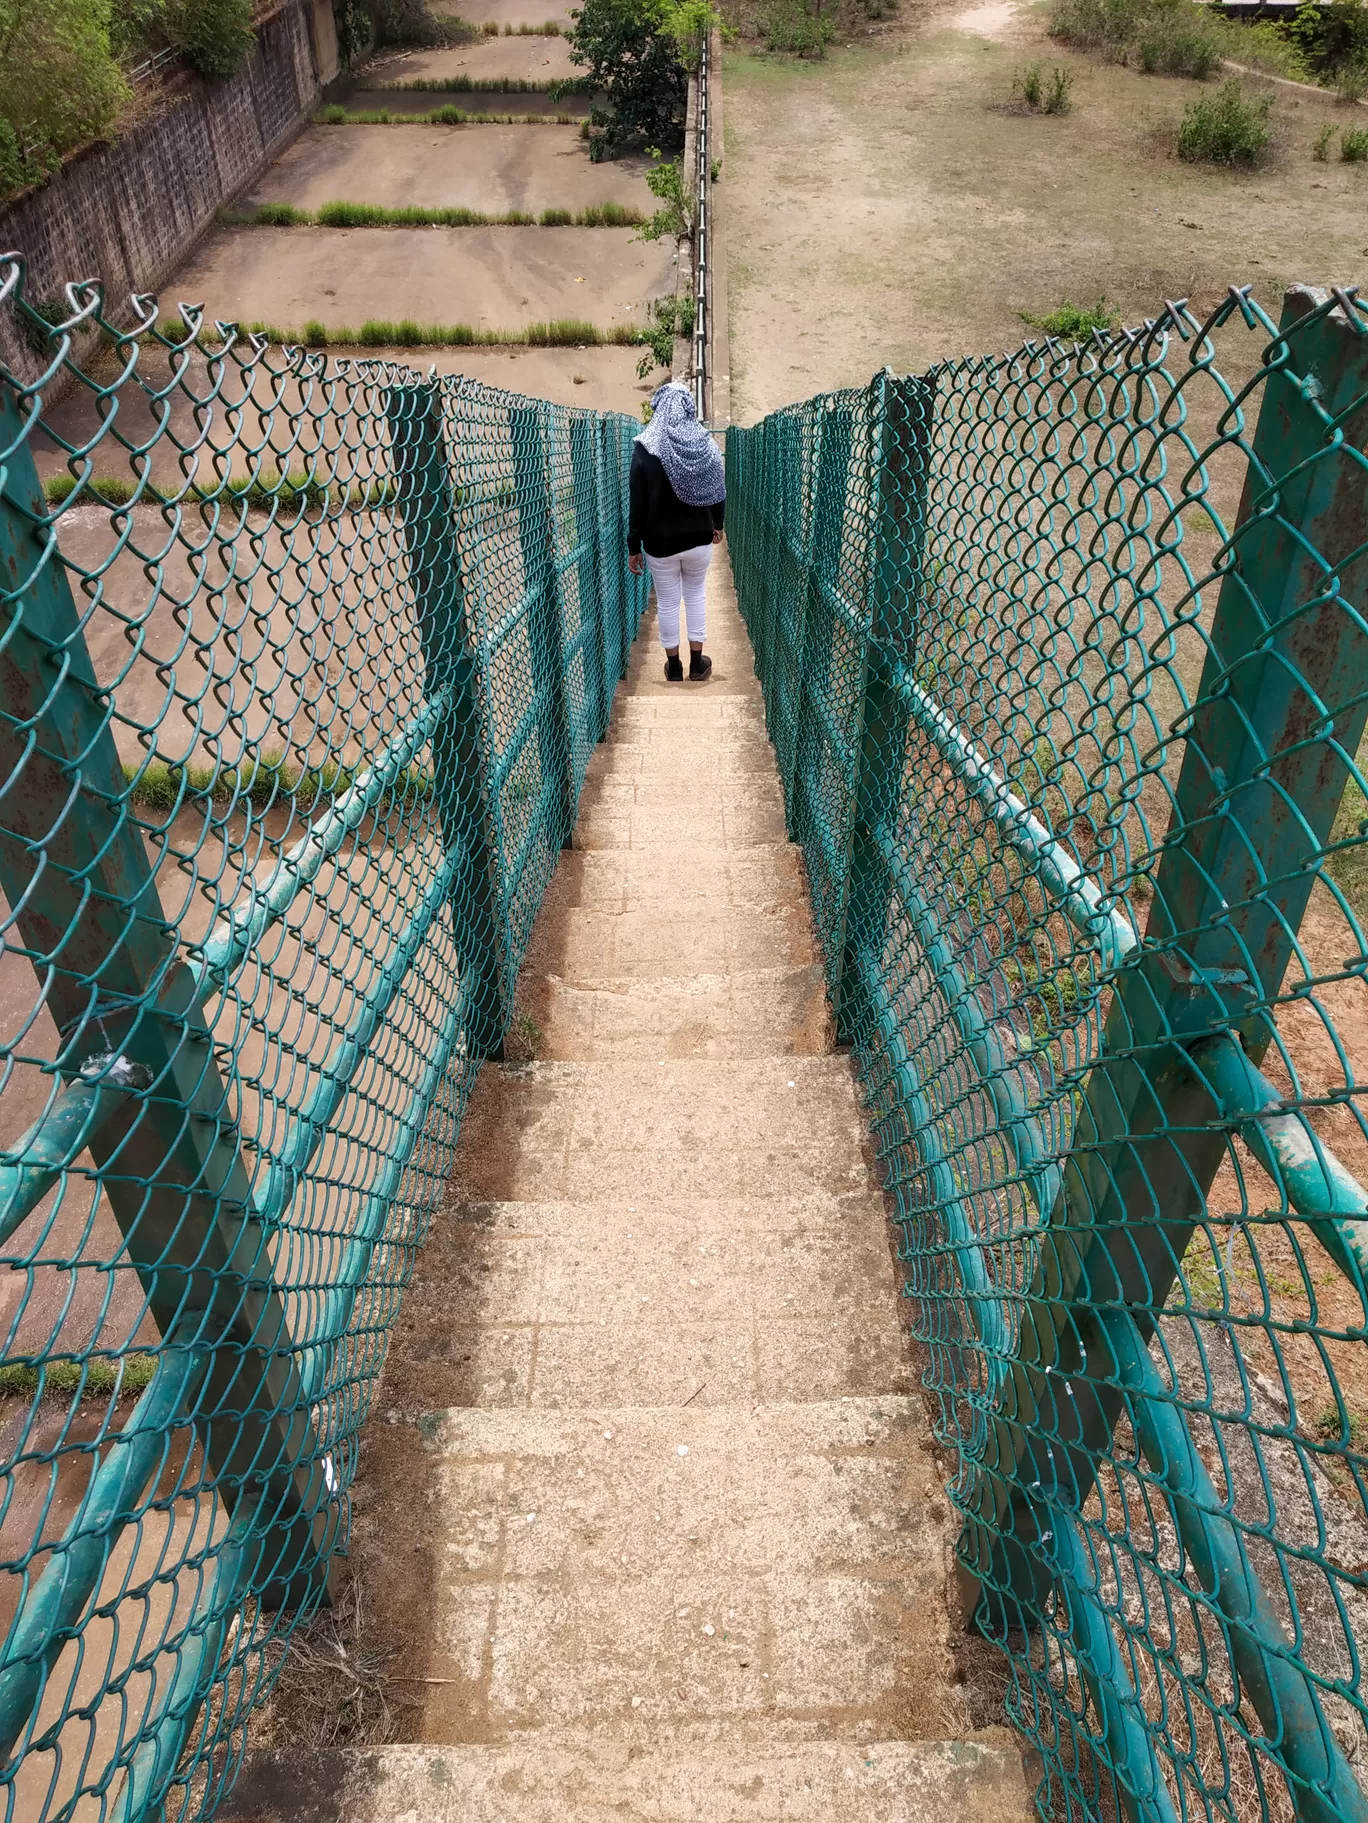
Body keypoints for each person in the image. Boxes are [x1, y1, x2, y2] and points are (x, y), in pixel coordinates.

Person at [627, 381, 726, 682]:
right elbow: (718, 488)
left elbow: (637, 502)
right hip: (699, 538)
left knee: (668, 603)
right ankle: (698, 664)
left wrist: (634, 546)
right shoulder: (706, 444)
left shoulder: (644, 448)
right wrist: (717, 525)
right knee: (695, 596)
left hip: (659, 543)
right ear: (688, 408)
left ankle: (674, 667)